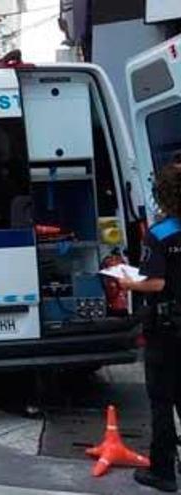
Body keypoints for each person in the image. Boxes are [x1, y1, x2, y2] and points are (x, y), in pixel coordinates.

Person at [121, 162, 181, 493]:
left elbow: (155, 283)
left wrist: (129, 283)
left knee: (162, 399)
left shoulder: (160, 234)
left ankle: (163, 472)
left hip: (168, 329)